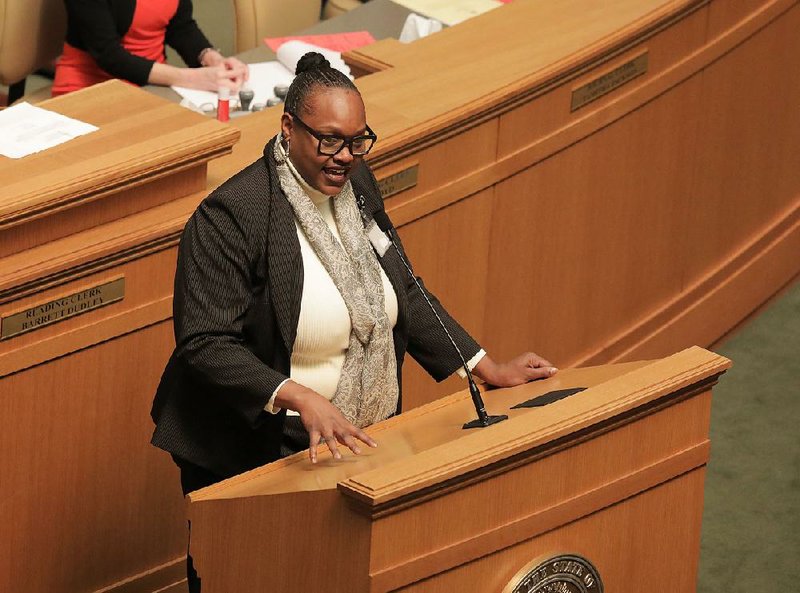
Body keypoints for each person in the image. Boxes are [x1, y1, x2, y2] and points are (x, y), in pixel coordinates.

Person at [150, 51, 557, 591]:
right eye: (329, 140)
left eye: (358, 140)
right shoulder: (232, 216)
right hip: (254, 447)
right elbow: (204, 343)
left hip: (355, 441)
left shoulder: (357, 188)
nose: (345, 156)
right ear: (288, 128)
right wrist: (296, 394)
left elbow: (404, 289)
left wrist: (484, 368)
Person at [52, 0, 248, 96]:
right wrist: (192, 78)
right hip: (91, 88)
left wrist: (212, 59)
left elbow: (180, 26)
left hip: (154, 87)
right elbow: (108, 54)